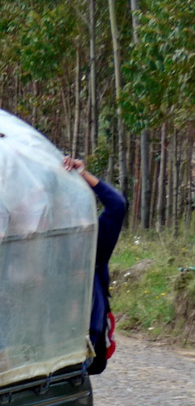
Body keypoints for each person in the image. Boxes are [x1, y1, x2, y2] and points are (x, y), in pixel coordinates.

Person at [63, 156, 126, 374]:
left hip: (86, 333)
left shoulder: (94, 241)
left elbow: (117, 205)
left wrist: (83, 174)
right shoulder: (39, 237)